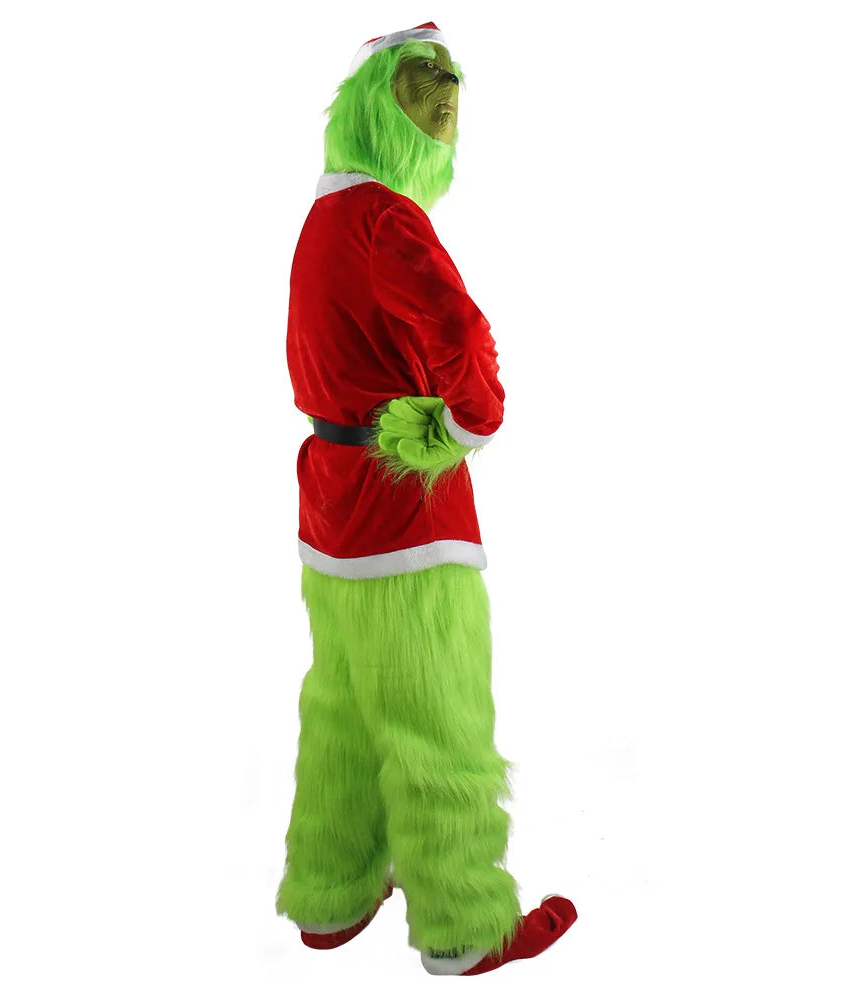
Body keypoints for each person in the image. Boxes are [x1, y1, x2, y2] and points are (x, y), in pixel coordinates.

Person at [276, 22, 577, 976]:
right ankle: (462, 925)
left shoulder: (325, 217)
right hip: (406, 516)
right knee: (436, 717)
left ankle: (331, 893)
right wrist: (464, 426)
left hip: (331, 510)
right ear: (385, 108)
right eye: (428, 100)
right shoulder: (385, 219)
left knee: (344, 707)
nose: (445, 116)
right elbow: (460, 332)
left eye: (449, 102)